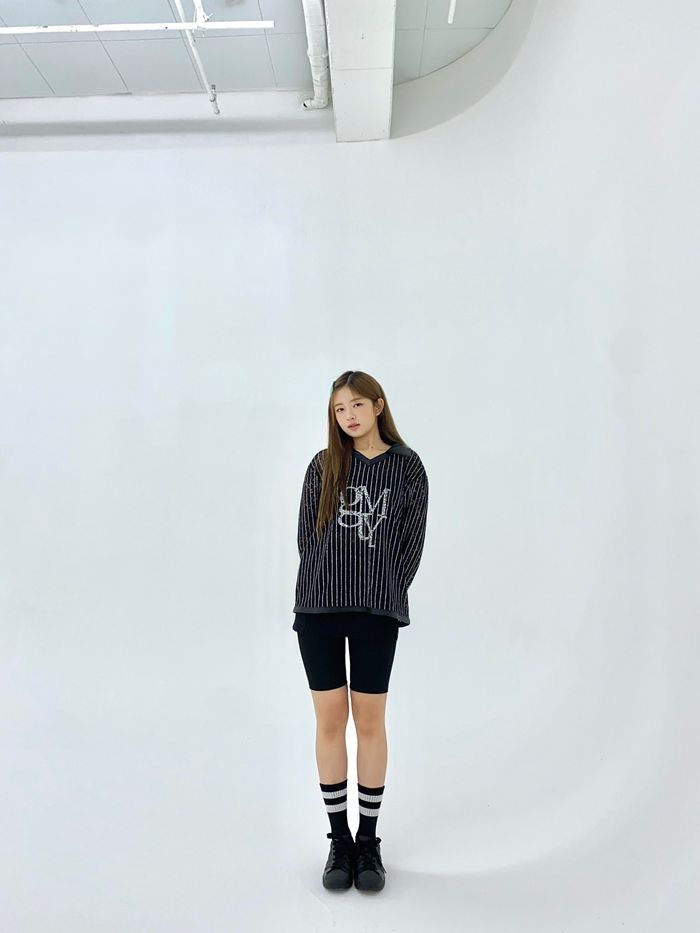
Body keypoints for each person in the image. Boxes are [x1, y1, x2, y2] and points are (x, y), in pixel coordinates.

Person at [292, 369, 429, 892]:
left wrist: (382, 591)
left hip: (376, 611)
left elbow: (411, 544)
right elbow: (308, 539)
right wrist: (325, 584)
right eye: (338, 409)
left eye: (355, 405)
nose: (347, 416)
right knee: (330, 721)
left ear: (378, 405)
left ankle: (369, 842)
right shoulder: (323, 465)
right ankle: (339, 840)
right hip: (319, 610)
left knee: (370, 722)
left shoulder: (407, 466)